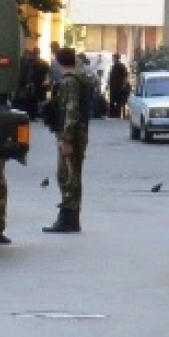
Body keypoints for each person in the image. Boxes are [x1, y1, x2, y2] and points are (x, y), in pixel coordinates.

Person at [43, 47, 94, 234]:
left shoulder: (69, 82)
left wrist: (66, 139)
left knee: (67, 176)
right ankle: (71, 217)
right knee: (73, 175)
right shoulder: (80, 79)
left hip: (71, 135)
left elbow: (70, 111)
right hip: (78, 133)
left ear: (58, 62)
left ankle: (68, 219)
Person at [106, 53, 130, 120]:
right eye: (113, 58)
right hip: (113, 87)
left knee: (119, 102)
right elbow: (111, 77)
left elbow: (125, 76)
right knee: (112, 101)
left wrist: (123, 85)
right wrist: (108, 84)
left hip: (119, 87)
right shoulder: (113, 66)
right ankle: (112, 114)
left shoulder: (121, 66)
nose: (113, 59)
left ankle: (117, 115)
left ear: (117, 58)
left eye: (114, 58)